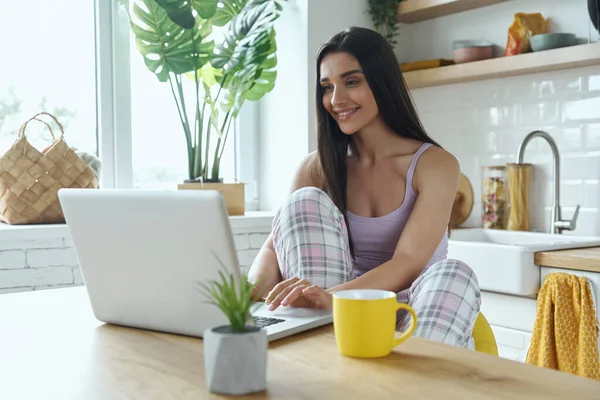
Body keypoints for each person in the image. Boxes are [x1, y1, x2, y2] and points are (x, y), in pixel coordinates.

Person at [247, 26, 481, 349]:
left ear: (381, 82)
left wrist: (334, 298)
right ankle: (325, 356)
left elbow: (409, 261)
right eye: (326, 87)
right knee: (304, 202)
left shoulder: (435, 165)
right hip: (341, 323)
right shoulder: (318, 168)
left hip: (413, 313)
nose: (335, 99)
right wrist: (244, 294)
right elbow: (274, 248)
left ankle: (411, 386)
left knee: (456, 274)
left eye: (351, 81)